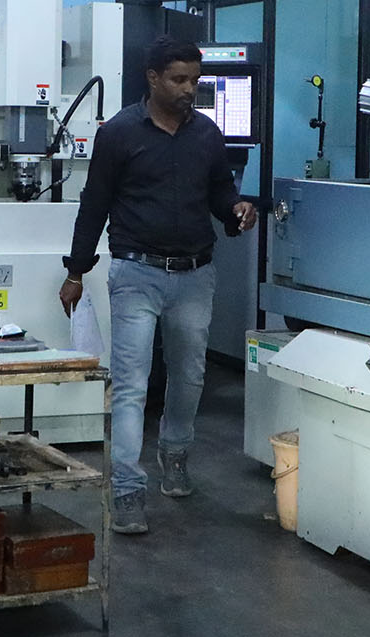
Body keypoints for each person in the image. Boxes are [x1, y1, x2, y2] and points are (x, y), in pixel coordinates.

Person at [60, 36, 258, 535]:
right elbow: (94, 204)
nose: (189, 89)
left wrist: (236, 211)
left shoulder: (207, 135)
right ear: (153, 78)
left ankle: (175, 454)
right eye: (179, 79)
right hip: (136, 274)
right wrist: (76, 272)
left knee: (189, 377)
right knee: (131, 384)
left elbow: (219, 193)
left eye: (195, 80)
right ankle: (127, 489)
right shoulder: (119, 134)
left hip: (195, 275)